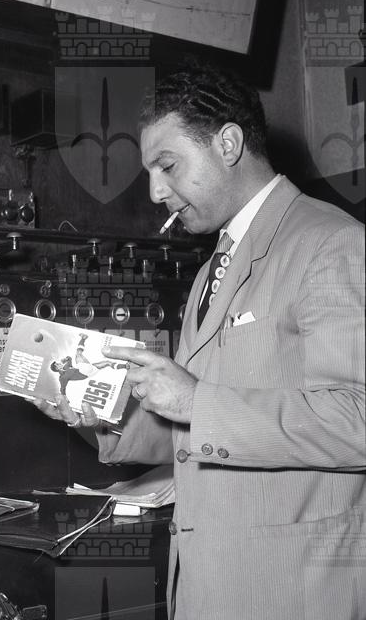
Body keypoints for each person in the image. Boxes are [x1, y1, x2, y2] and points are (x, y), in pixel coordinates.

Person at [32, 63, 365, 619]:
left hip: (291, 592)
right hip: (209, 589)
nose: (156, 191)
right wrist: (100, 411)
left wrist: (193, 400)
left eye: (167, 166)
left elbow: (358, 419)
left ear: (228, 144)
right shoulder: (214, 268)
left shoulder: (332, 244)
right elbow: (196, 436)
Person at [50, 333, 128, 395]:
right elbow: (62, 388)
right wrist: (64, 397)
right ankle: (83, 338)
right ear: (57, 368)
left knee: (107, 363)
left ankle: (125, 366)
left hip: (90, 372)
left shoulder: (66, 367)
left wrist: (66, 359)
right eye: (57, 364)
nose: (59, 363)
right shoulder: (62, 377)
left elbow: (69, 359)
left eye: (58, 363)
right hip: (83, 371)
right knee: (78, 354)